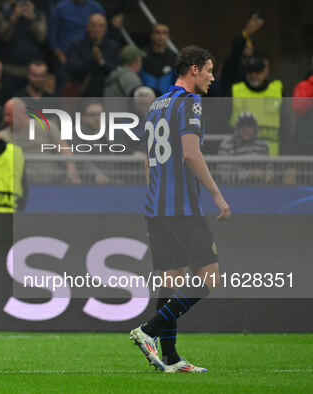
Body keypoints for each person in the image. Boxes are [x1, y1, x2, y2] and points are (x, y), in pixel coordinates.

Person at [129, 46, 231, 373]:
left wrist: (152, 207)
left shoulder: (156, 106)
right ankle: (149, 331)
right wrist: (217, 195)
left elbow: (149, 162)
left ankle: (170, 358)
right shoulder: (190, 103)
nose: (213, 77)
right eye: (209, 70)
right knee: (210, 277)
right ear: (194, 70)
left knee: (171, 280)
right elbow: (190, 153)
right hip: (182, 206)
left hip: (157, 206)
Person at [229, 55, 283, 156]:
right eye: (250, 72)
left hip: (272, 158)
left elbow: (286, 124)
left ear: (265, 72)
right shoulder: (236, 91)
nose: (254, 76)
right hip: (240, 158)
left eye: (257, 72)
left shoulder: (276, 90)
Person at [48, 0, 105, 94]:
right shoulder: (60, 8)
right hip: (66, 60)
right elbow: (52, 36)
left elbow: (103, 33)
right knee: (62, 97)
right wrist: (61, 57)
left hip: (90, 60)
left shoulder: (96, 8)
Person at [0, 0, 47, 95]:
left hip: (32, 70)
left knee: (30, 107)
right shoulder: (6, 13)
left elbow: (41, 37)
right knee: (11, 105)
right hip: (10, 69)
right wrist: (13, 19)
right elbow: (4, 36)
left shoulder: (39, 14)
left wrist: (32, 19)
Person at [65, 12, 118, 97]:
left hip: (106, 95)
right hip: (82, 95)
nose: (96, 29)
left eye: (100, 26)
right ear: (87, 27)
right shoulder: (77, 45)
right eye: (93, 25)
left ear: (105, 29)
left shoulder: (113, 47)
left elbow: (117, 70)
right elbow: (72, 68)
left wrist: (101, 62)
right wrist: (92, 60)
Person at [218, 112, 271, 183]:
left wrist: (267, 176)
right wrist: (250, 174)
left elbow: (270, 170)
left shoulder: (263, 145)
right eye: (242, 126)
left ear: (255, 128)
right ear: (237, 128)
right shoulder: (227, 145)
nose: (246, 130)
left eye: (250, 126)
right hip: (234, 188)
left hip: (260, 187)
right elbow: (224, 176)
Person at [139, 23, 176, 96]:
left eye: (164, 33)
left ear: (168, 36)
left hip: (166, 102)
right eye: (157, 32)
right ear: (151, 36)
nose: (161, 36)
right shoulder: (142, 56)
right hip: (145, 101)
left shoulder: (174, 57)